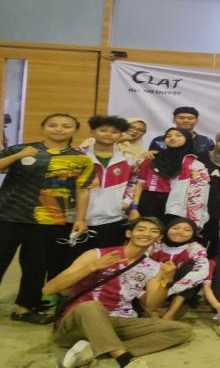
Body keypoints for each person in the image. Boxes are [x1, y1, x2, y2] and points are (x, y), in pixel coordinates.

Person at [45, 217, 192, 368]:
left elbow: (152, 305)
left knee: (181, 330)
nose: (147, 234)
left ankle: (95, 349)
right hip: (79, 321)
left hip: (118, 320)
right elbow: (49, 289)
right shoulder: (97, 254)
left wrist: (167, 280)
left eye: (154, 231)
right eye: (141, 229)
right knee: (92, 306)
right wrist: (92, 267)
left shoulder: (153, 267)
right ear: (129, 233)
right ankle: (125, 360)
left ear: (159, 238)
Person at [0, 113, 95, 324]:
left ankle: (25, 309)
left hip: (48, 219)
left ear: (74, 130)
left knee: (35, 267)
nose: (59, 129)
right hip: (7, 215)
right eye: (53, 125)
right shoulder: (20, 149)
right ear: (43, 127)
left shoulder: (81, 159)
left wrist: (80, 218)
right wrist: (19, 156)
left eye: (65, 126)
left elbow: (83, 190)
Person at [80, 115, 139, 252]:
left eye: (114, 132)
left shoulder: (128, 158)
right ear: (92, 132)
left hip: (113, 219)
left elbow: (133, 182)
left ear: (121, 135)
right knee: (74, 260)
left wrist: (126, 201)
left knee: (108, 259)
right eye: (103, 130)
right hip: (78, 219)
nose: (108, 134)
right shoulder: (77, 155)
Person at [130, 128, 210, 228]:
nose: (172, 138)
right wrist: (134, 208)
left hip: (177, 204)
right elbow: (139, 184)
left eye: (178, 135)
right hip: (148, 202)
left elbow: (198, 194)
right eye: (168, 136)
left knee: (171, 233)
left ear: (188, 139)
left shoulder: (195, 165)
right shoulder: (151, 159)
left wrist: (194, 218)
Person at [148, 217, 209, 321]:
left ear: (193, 233)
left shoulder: (195, 248)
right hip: (153, 287)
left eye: (187, 230)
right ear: (167, 230)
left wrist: (171, 289)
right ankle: (153, 312)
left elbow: (202, 271)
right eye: (175, 228)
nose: (180, 232)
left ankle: (170, 314)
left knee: (191, 267)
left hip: (179, 289)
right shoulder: (155, 245)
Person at [148, 107, 214, 154]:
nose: (185, 120)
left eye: (190, 118)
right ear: (173, 120)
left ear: (197, 121)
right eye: (181, 118)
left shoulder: (207, 142)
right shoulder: (159, 141)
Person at [80, 117, 148, 160]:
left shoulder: (140, 150)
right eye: (132, 127)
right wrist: (121, 139)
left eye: (140, 130)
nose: (135, 131)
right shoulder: (92, 140)